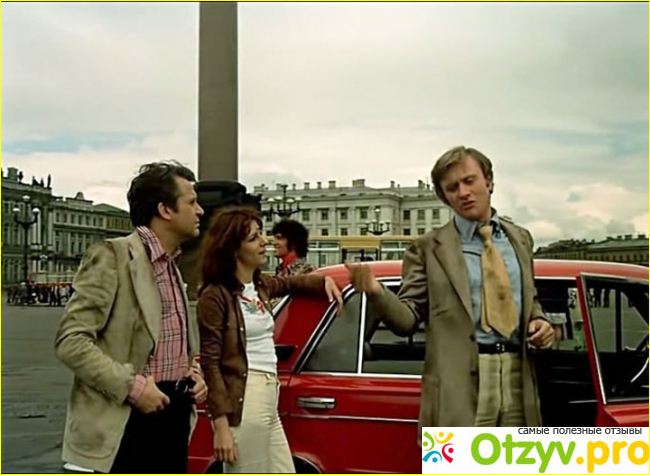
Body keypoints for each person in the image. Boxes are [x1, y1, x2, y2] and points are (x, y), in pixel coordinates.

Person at [346, 145, 555, 428]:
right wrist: (376, 291)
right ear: (445, 197)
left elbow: (529, 300)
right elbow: (407, 321)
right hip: (457, 389)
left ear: (489, 182)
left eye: (469, 181)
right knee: (457, 457)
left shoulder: (521, 239)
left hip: (519, 378)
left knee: (518, 456)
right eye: (452, 188)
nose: (464, 192)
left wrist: (540, 321)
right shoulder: (427, 248)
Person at [54, 161, 208, 474]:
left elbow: (168, 341)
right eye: (191, 202)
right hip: (127, 420)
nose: (200, 211)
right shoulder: (112, 256)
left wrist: (193, 372)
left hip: (174, 415)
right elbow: (71, 341)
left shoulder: (172, 267)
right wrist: (132, 387)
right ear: (165, 210)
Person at [197, 206, 342, 473]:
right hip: (245, 399)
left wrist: (323, 282)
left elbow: (290, 283)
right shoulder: (215, 296)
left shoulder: (260, 285)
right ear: (233, 249)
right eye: (253, 238)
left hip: (268, 396)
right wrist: (221, 426)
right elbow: (211, 363)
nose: (264, 242)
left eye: (261, 234)